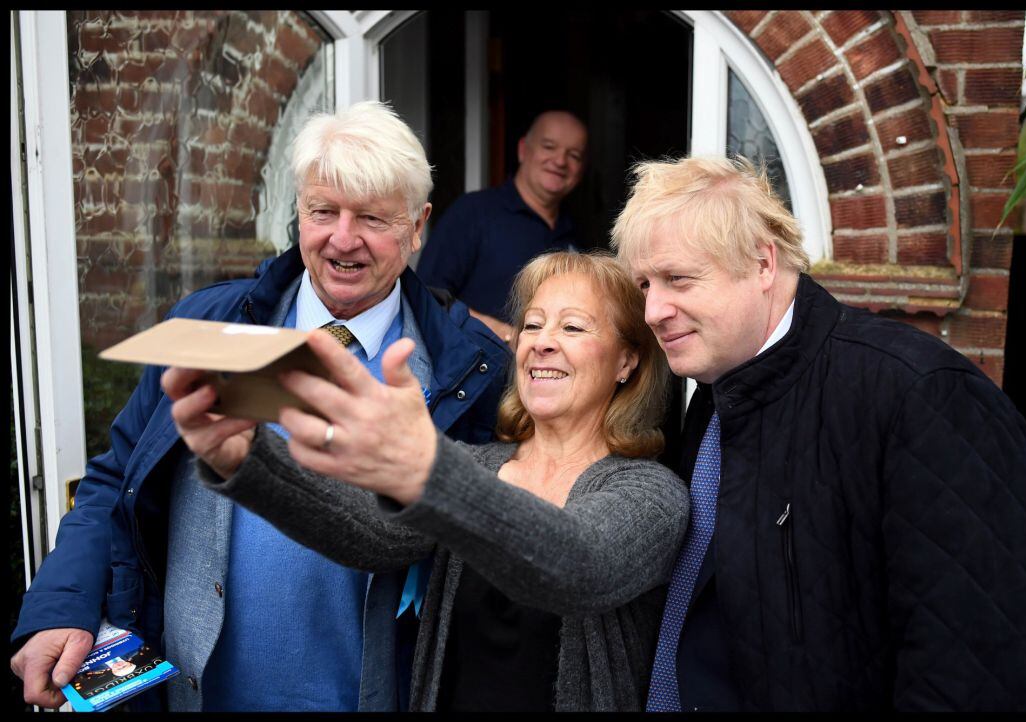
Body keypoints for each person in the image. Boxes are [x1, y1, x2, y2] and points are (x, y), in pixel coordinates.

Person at [9, 101, 511, 712]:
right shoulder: (207, 324)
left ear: (418, 225)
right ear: (298, 211)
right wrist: (64, 606)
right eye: (323, 211)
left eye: (373, 219)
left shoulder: (472, 369)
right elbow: (115, 479)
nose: (342, 239)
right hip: (197, 697)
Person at [610, 155, 1026, 711]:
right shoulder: (716, 392)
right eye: (644, 284)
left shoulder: (922, 396)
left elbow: (980, 667)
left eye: (677, 278)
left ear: (762, 263)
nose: (654, 310)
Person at [163, 251, 690, 711]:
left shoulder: (651, 494)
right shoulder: (480, 467)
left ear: (627, 360)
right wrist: (247, 458)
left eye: (573, 328)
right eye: (532, 325)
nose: (542, 343)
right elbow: (370, 531)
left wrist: (426, 469)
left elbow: (578, 565)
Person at [417, 110, 587, 342]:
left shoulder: (576, 234)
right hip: (473, 372)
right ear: (523, 150)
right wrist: (506, 336)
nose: (560, 161)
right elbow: (427, 297)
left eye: (574, 155)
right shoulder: (473, 212)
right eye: (549, 147)